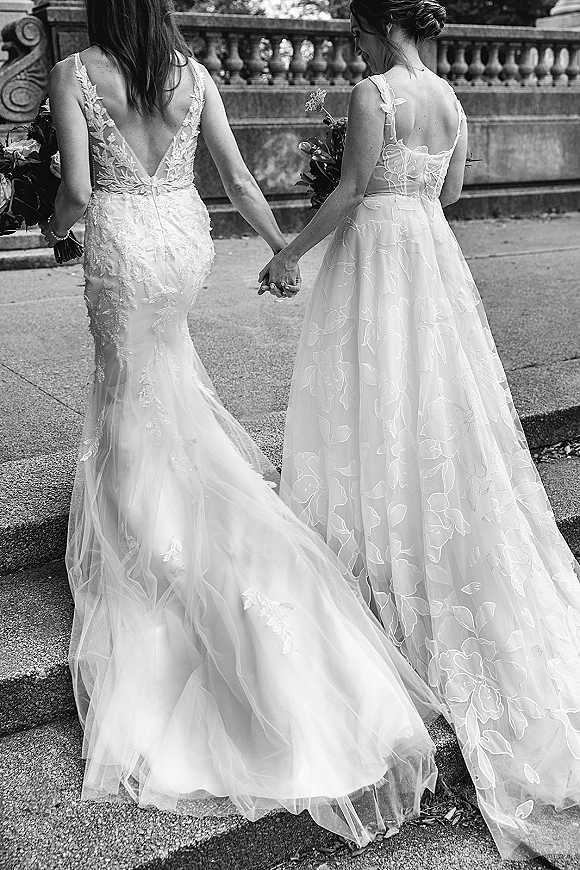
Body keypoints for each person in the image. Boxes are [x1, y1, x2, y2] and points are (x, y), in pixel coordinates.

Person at [39, 0, 443, 848]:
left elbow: (76, 191)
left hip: (122, 240)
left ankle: (146, 534)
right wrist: (278, 250)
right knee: (166, 377)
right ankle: (181, 513)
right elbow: (237, 178)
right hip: (182, 241)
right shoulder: (193, 75)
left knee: (130, 387)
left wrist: (48, 224)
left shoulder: (75, 72)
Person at [263, 0, 580, 860]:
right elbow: (451, 193)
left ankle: (375, 553)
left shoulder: (374, 93)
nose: (353, 43)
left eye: (355, 30)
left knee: (373, 399)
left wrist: (289, 252)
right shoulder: (450, 98)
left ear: (376, 28)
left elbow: (351, 191)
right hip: (431, 259)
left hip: (375, 260)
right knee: (434, 403)